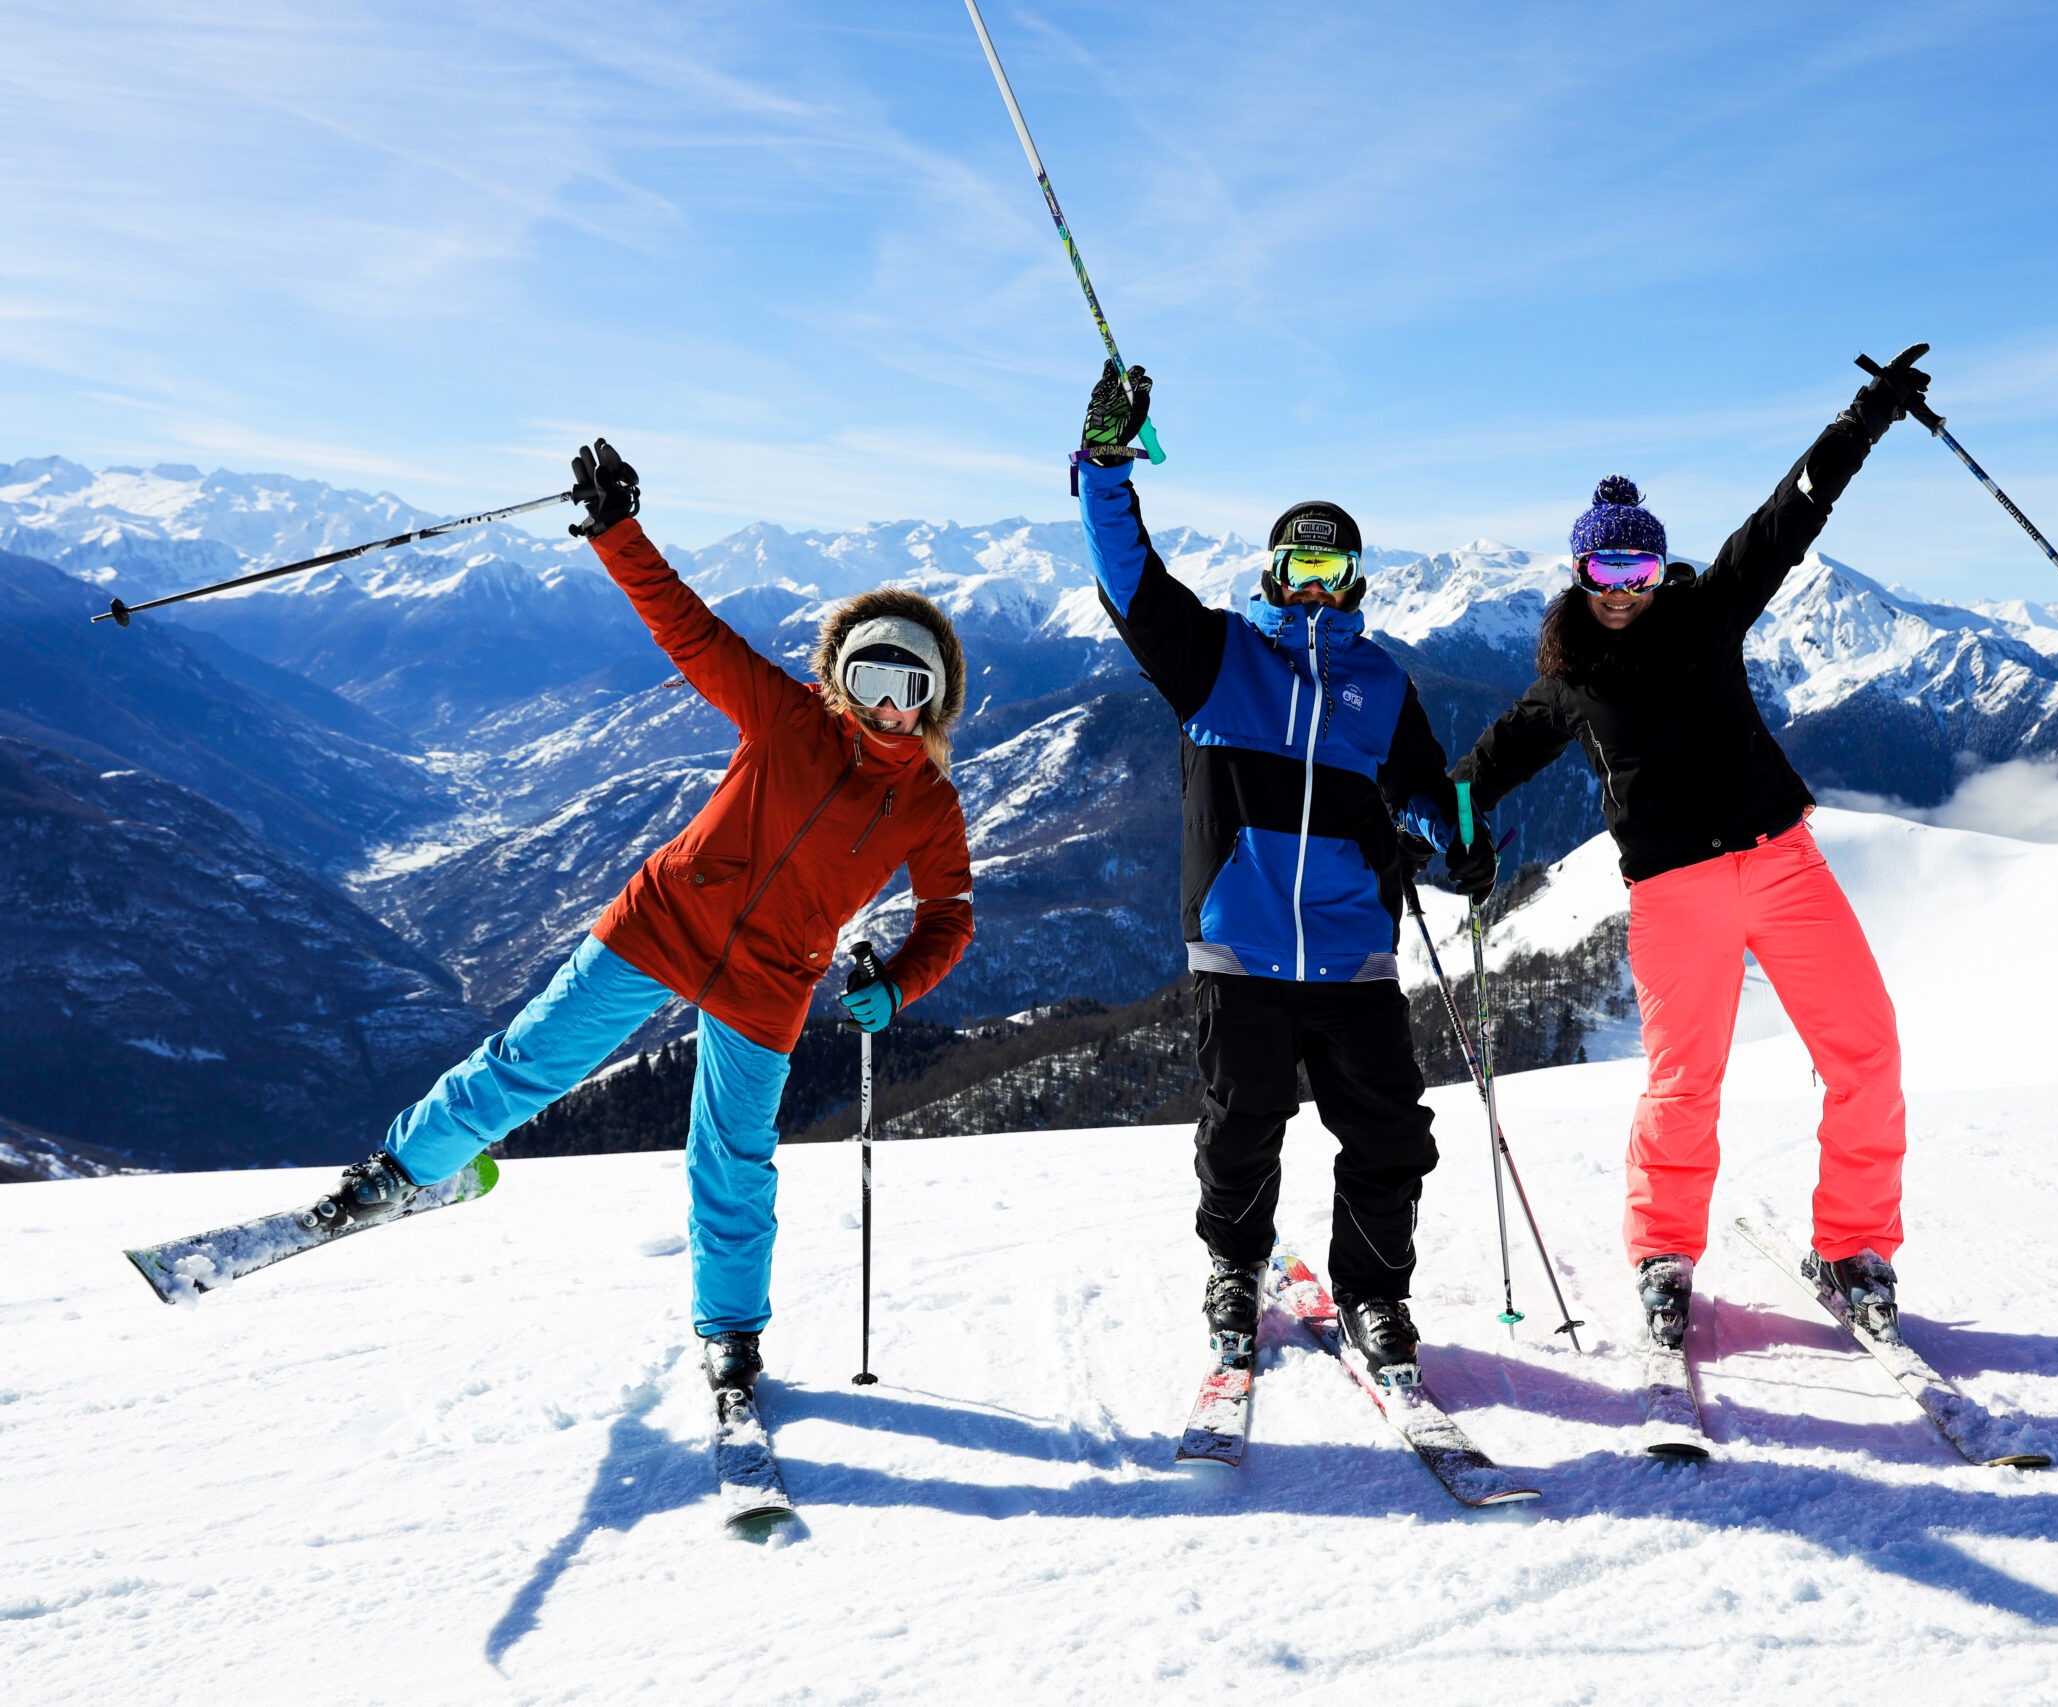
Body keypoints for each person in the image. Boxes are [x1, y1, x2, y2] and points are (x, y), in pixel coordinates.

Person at [311, 438, 975, 1396]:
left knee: (734, 1161)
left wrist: (900, 980)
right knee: (530, 1060)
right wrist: (618, 532)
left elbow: (950, 911)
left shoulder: (927, 805)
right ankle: (402, 1167)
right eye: (867, 680)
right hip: (662, 919)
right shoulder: (787, 718)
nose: (885, 707)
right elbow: (692, 633)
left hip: (770, 978)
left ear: (935, 699)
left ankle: (732, 1337)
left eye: (908, 689)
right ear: (836, 681)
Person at [1452, 346, 1937, 1355]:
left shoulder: (1711, 611)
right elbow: (1483, 769)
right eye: (1601, 569)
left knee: (1866, 1052)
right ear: (1577, 573)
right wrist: (1433, 826)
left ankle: (1853, 1250)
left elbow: (1789, 516)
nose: (1620, 587)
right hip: (1674, 897)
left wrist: (1866, 416)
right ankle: (1663, 1255)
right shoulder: (1569, 680)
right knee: (1684, 1085)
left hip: (1781, 863)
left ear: (1656, 566)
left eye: (1634, 567)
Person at [1071, 363, 1494, 1385]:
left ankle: (1376, 1293)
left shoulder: (1380, 681)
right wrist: (1102, 462)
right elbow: (1130, 579)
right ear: (1270, 573)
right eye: (1298, 568)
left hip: (1352, 954)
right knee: (1241, 1129)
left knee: (1391, 1133)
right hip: (1242, 947)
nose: (1314, 587)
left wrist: (1458, 843)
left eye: (1331, 571)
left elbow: (1425, 792)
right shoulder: (1215, 659)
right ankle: (1232, 1267)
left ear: (1354, 581)